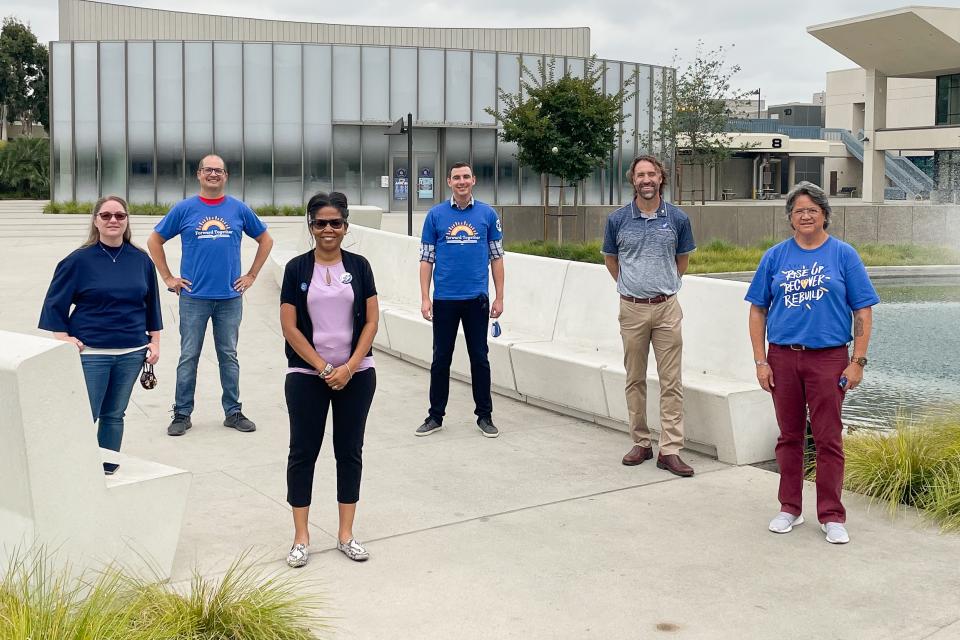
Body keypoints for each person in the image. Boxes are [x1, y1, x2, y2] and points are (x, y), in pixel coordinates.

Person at [746, 181, 878, 545]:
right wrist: (761, 361)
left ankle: (832, 514)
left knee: (827, 438)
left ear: (824, 216)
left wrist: (858, 361)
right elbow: (758, 310)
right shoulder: (775, 257)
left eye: (812, 210)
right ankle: (790, 507)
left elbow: (862, 309)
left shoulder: (843, 255)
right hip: (784, 358)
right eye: (798, 210)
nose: (805, 215)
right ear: (790, 218)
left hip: (829, 359)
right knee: (789, 437)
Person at [279, 192, 378, 567]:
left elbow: (371, 321)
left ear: (346, 226)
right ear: (310, 226)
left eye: (335, 222)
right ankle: (301, 536)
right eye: (320, 222)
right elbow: (289, 326)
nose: (328, 229)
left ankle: (346, 534)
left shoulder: (360, 266)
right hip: (307, 375)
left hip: (357, 375)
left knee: (349, 451)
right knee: (303, 453)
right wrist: (324, 368)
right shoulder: (296, 269)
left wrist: (349, 367)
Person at [147, 154, 273, 436]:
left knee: (228, 355)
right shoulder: (184, 209)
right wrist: (168, 277)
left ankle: (233, 411)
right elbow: (155, 240)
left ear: (225, 176)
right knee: (189, 355)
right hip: (194, 298)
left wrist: (251, 275)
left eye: (219, 170)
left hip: (230, 298)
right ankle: (181, 413)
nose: (213, 174)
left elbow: (266, 239)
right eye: (208, 170)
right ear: (199, 175)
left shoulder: (238, 210)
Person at [39, 196, 162, 475]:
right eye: (106, 215)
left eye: (119, 215)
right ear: (95, 220)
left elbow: (151, 304)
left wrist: (154, 342)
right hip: (91, 354)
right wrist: (63, 336)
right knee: (85, 416)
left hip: (131, 353)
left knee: (114, 415)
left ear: (127, 220)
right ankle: (75, 469)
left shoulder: (141, 260)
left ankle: (106, 466)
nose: (113, 221)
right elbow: (54, 303)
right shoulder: (78, 261)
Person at [602, 155, 697, 477]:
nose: (646, 179)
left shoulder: (679, 219)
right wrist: (633, 287)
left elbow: (681, 261)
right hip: (631, 309)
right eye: (640, 174)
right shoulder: (617, 220)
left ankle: (670, 449)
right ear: (633, 180)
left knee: (672, 381)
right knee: (635, 378)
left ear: (661, 178)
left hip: (667, 308)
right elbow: (611, 260)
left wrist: (662, 285)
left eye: (651, 174)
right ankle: (641, 442)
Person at [415, 162, 505, 438]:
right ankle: (435, 416)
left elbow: (497, 258)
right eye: (457, 177)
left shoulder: (487, 215)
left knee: (480, 359)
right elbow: (426, 259)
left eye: (466, 177)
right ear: (449, 182)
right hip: (444, 299)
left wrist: (499, 297)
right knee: (440, 359)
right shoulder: (435, 216)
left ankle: (485, 416)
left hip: (476, 299)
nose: (462, 181)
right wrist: (424, 298)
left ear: (474, 180)